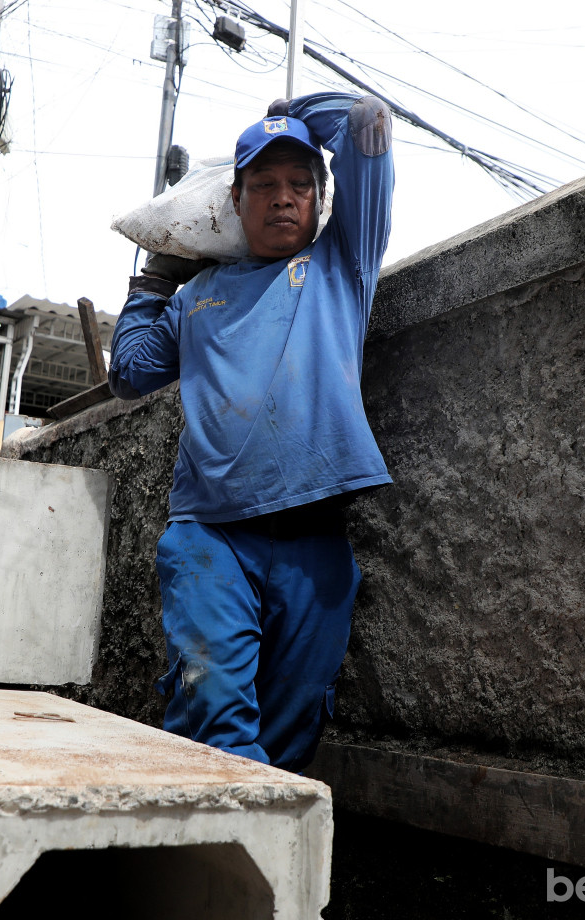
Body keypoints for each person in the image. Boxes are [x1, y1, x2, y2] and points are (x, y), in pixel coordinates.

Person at [107, 92, 395, 772]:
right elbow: (130, 374)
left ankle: (259, 870)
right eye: (262, 185)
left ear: (323, 199)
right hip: (211, 537)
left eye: (300, 183)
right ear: (235, 203)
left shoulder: (342, 267)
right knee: (213, 713)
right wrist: (155, 278)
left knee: (294, 735)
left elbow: (369, 121)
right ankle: (196, 860)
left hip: (314, 542)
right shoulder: (198, 296)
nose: (282, 198)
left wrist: (293, 108)